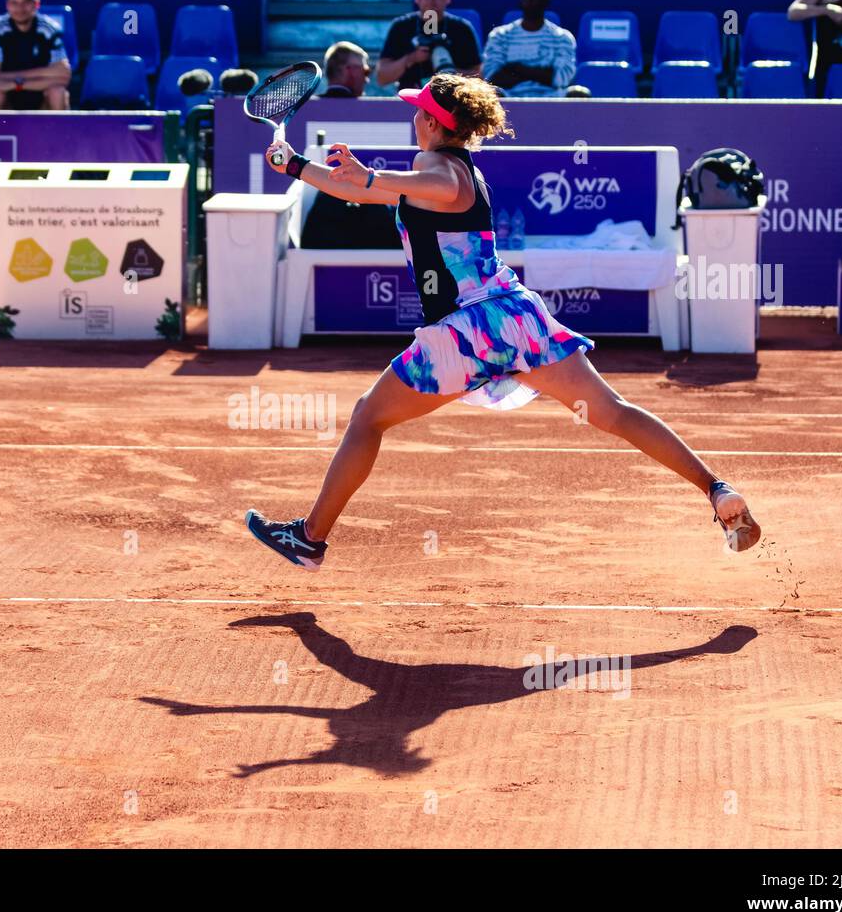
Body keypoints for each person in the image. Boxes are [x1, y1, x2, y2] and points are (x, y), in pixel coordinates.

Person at [248, 73, 762, 569]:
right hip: (517, 317)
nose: (413, 117)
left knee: (367, 418)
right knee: (613, 412)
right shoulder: (446, 169)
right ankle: (716, 490)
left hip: (468, 330)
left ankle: (311, 539)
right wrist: (294, 166)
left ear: (432, 121)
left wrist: (371, 177)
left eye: (417, 110)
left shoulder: (442, 170)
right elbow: (359, 192)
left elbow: (410, 186)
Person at [302, 41, 400, 249]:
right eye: (365, 70)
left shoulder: (306, 109)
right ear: (350, 71)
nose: (367, 78)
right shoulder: (380, 115)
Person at [377, 0, 481, 91]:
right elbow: (382, 78)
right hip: (411, 98)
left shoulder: (462, 29)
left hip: (453, 98)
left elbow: (480, 76)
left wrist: (450, 73)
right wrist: (411, 58)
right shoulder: (401, 27)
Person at [0, 0, 70, 110]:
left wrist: (17, 83)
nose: (20, 8)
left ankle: (60, 130)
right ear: (7, 5)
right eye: (15, 2)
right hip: (11, 95)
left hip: (37, 94)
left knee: (58, 92)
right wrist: (45, 74)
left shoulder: (49, 28)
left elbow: (64, 75)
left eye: (26, 2)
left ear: (36, 4)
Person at [481, 0, 577, 97]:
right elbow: (492, 77)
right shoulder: (500, 35)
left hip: (553, 98)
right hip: (510, 99)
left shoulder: (562, 37)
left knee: (579, 93)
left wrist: (516, 69)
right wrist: (543, 73)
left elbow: (562, 78)